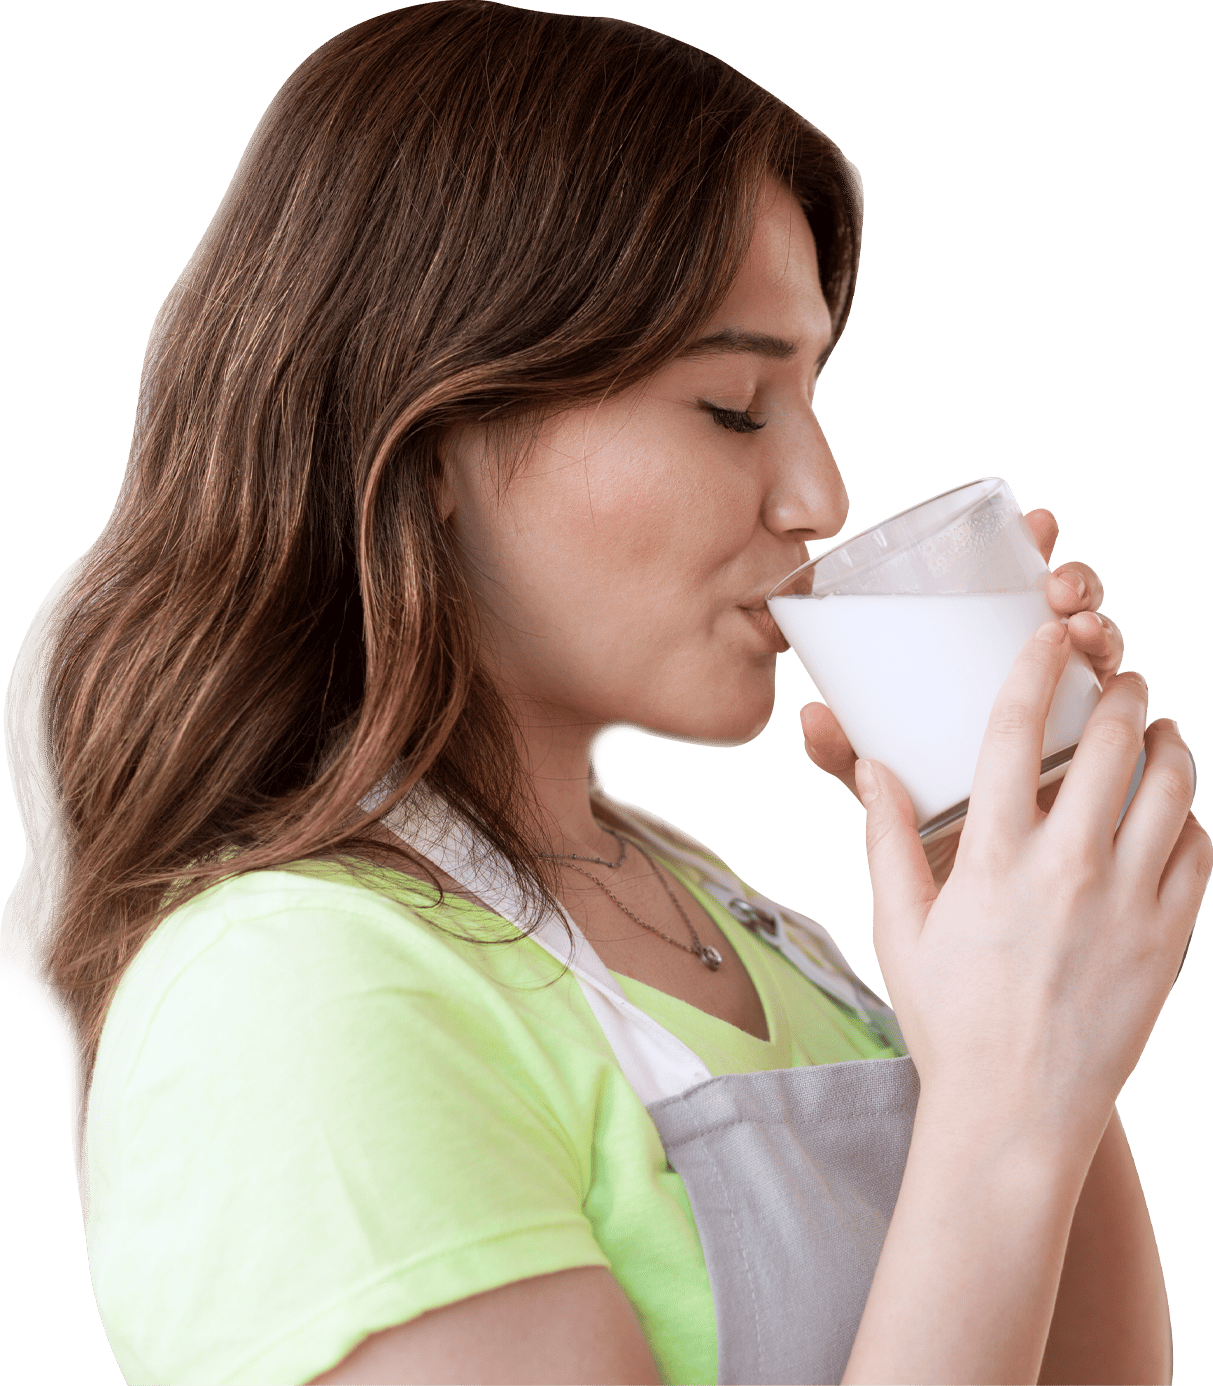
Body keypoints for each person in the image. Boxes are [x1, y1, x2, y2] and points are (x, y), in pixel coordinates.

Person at [2, 3, 1205, 1383]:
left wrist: (1014, 924)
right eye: (735, 407)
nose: (822, 492)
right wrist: (996, 1113)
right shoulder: (286, 997)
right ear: (437, 434)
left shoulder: (734, 922)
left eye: (815, 390)